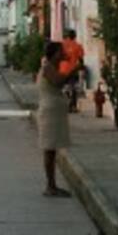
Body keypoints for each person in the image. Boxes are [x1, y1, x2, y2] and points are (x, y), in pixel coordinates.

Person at [37, 41, 73, 197]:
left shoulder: (51, 66)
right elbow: (58, 82)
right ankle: (50, 186)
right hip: (49, 114)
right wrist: (73, 69)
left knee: (51, 150)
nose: (63, 53)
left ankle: (52, 185)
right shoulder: (47, 68)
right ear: (54, 54)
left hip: (53, 112)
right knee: (50, 149)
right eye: (61, 51)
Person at [60, 29, 85, 112]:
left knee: (63, 87)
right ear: (75, 36)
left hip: (62, 70)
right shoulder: (78, 46)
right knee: (74, 87)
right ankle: (73, 106)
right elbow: (81, 58)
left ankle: (65, 103)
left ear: (67, 36)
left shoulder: (62, 45)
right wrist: (81, 67)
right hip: (72, 69)